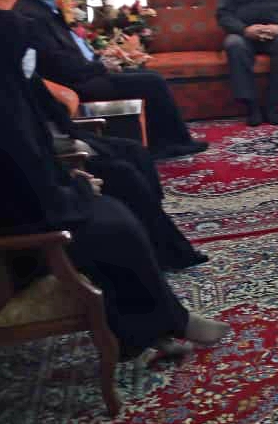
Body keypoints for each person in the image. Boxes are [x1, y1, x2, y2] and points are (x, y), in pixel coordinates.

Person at [0, 10, 230, 360]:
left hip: (42, 207)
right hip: (24, 238)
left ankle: (148, 331)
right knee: (115, 227)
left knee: (116, 211)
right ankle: (169, 323)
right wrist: (78, 189)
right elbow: (22, 190)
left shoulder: (10, 93)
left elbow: (35, 169)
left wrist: (73, 181)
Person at [14, 0, 207, 160]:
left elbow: (68, 50)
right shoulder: (31, 16)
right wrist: (100, 67)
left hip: (85, 71)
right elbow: (59, 66)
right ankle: (169, 145)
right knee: (152, 81)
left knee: (147, 75)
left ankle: (168, 141)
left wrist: (98, 58)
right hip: (77, 83)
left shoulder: (42, 8)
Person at [27, 68, 207, 272]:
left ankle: (162, 233)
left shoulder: (19, 72)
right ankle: (161, 250)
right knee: (124, 173)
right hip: (58, 163)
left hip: (62, 143)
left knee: (136, 151)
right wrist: (80, 184)